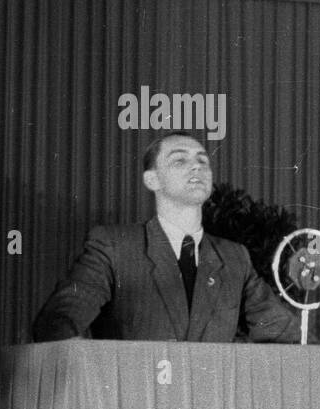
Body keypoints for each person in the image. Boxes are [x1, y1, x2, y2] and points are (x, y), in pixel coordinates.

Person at [32, 133, 298, 343]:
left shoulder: (234, 257)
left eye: (203, 161)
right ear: (152, 180)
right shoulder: (114, 247)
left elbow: (283, 333)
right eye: (180, 160)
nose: (197, 166)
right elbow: (58, 323)